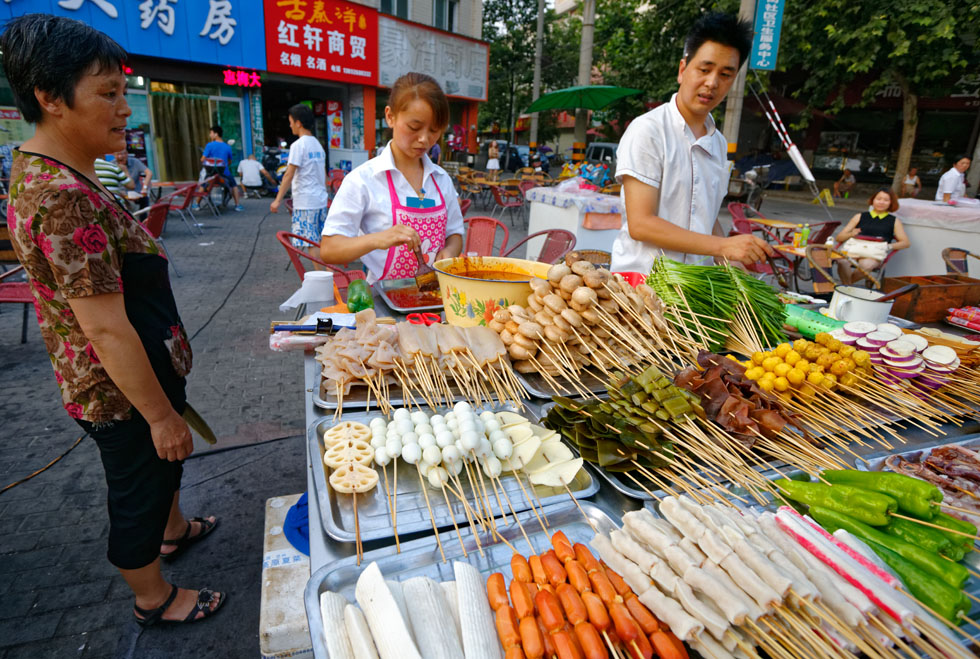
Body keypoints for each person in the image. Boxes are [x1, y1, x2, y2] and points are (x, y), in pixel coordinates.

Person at [1, 14, 224, 627]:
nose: (127, 108)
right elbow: (103, 327)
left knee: (163, 469)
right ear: (50, 97)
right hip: (120, 391)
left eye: (124, 91)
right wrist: (157, 414)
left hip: (144, 368)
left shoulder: (56, 172)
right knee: (138, 486)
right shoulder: (61, 196)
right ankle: (153, 596)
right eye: (108, 94)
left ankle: (174, 530)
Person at [611, 12, 772, 272]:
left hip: (695, 289)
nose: (712, 83)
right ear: (683, 70)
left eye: (725, 74)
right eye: (705, 69)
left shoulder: (718, 144)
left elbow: (704, 220)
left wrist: (732, 262)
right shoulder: (649, 131)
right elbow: (640, 224)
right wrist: (722, 247)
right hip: (641, 288)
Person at [320, 72, 464, 284]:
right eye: (414, 128)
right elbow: (330, 249)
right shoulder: (363, 180)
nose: (424, 139)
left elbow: (455, 234)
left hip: (436, 298)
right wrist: (378, 239)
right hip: (384, 304)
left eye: (434, 131)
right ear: (390, 116)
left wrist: (450, 251)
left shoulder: (441, 179)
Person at [270, 104, 329, 263]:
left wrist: (277, 200)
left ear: (298, 123)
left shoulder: (298, 145)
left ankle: (322, 281)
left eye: (290, 121)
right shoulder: (318, 145)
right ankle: (332, 278)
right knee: (322, 242)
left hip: (305, 201)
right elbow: (324, 175)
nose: (289, 125)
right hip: (320, 200)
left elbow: (289, 174)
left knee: (311, 243)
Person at [835, 187, 910, 285]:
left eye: (886, 200)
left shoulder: (894, 221)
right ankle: (847, 287)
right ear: (873, 200)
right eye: (878, 199)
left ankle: (845, 286)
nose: (881, 202)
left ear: (891, 203)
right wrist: (851, 234)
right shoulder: (859, 216)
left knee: (867, 265)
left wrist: (888, 246)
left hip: (873, 254)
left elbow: (905, 243)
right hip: (854, 250)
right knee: (842, 262)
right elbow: (839, 237)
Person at [201, 124, 243, 211]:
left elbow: (202, 159)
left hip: (211, 173)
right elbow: (229, 161)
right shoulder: (227, 147)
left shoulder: (209, 145)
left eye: (211, 133)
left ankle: (196, 204)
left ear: (216, 134)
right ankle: (237, 205)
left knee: (203, 184)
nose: (210, 135)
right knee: (234, 185)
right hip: (224, 172)